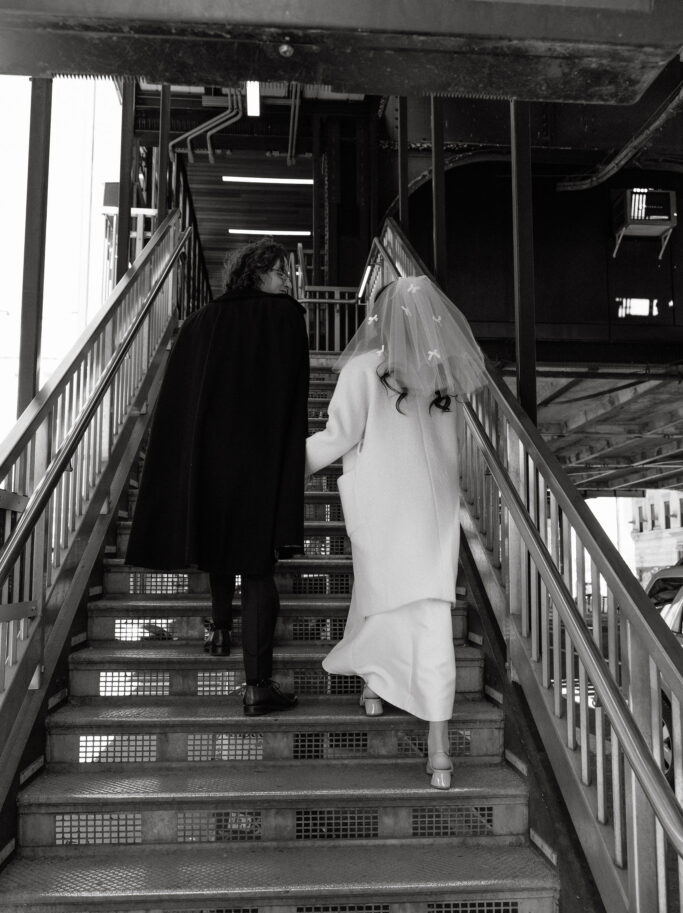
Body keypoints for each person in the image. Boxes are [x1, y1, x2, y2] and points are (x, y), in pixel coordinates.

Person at [305, 275, 487, 788]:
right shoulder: (441, 376)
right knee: (428, 614)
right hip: (432, 513)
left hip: (383, 505)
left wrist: (279, 467)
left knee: (376, 593)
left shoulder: (365, 369)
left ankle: (374, 689)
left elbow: (336, 437)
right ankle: (438, 750)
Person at [126, 238, 310, 716]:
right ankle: (257, 685)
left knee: (217, 543)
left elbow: (179, 400)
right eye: (279, 271)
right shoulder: (285, 317)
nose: (286, 280)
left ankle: (222, 628)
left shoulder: (201, 322)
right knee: (256, 566)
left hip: (208, 459)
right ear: (258, 273)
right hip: (259, 461)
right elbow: (293, 398)